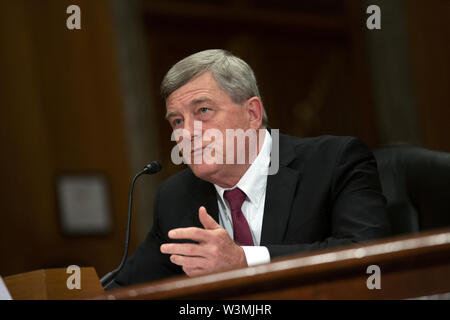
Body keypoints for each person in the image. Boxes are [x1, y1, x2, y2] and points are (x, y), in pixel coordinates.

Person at [114, 49, 390, 286]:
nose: (186, 133)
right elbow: (128, 287)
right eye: (176, 121)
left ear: (252, 114)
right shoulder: (176, 196)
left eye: (203, 111)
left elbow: (367, 255)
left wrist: (244, 261)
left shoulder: (334, 161)